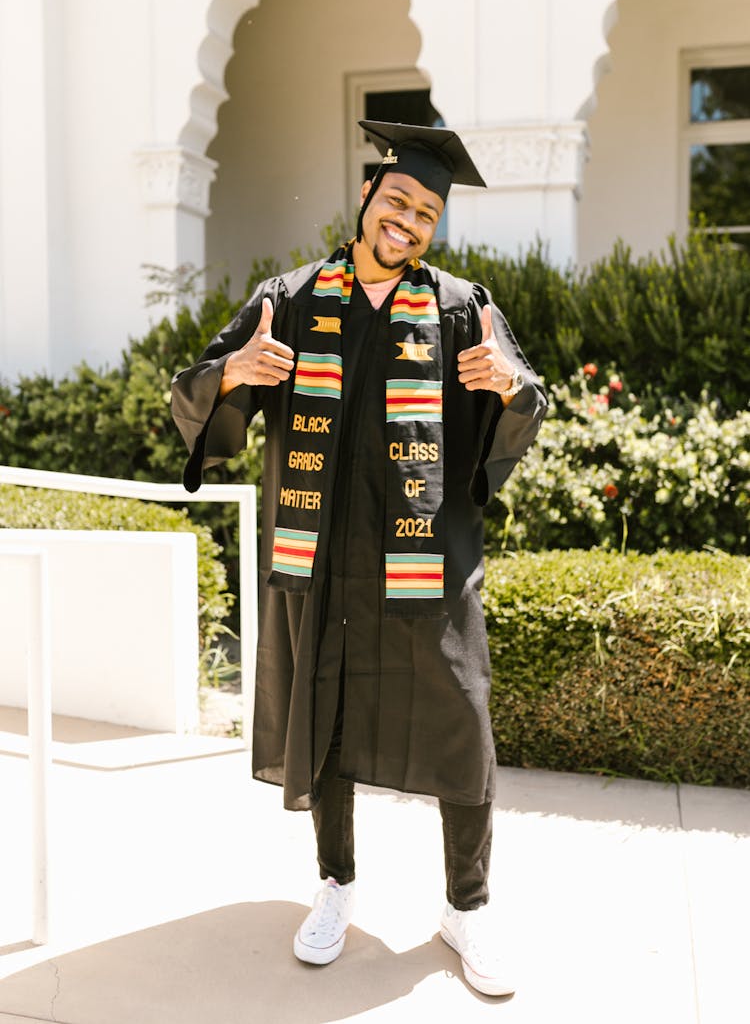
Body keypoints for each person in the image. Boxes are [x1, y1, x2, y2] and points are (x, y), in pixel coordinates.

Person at [171, 121, 547, 997]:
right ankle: (335, 884)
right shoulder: (293, 298)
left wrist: (511, 389)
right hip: (326, 562)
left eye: (426, 211)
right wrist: (233, 376)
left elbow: (523, 394)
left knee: (461, 722)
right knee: (327, 718)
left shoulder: (458, 306)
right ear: (369, 197)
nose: (407, 220)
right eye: (397, 201)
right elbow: (200, 392)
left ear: (436, 224)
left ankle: (468, 905)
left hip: (429, 567)